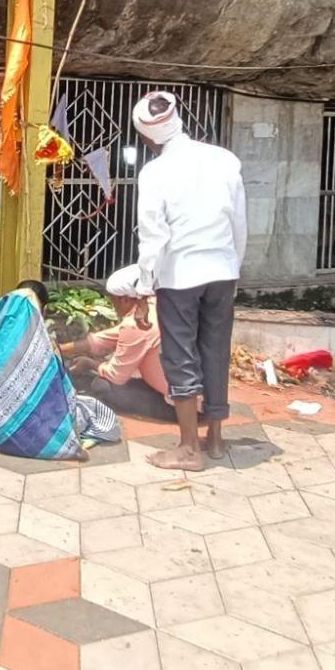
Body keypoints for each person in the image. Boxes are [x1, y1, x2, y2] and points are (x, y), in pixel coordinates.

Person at [131, 90, 247, 471]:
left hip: (179, 275)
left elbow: (153, 235)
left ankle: (187, 449)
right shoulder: (224, 161)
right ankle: (214, 438)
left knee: (180, 356)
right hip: (222, 271)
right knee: (215, 350)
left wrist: (145, 284)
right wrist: (234, 267)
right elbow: (239, 224)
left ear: (148, 137)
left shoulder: (155, 172)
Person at [0, 280, 119, 460]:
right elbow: (58, 388)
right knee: (95, 412)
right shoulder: (43, 346)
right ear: (42, 309)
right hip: (25, 427)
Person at [64, 265, 173, 420]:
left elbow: (116, 376)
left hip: (179, 405)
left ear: (125, 299)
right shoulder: (153, 306)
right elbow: (104, 339)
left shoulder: (136, 324)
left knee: (103, 386)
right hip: (198, 396)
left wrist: (90, 364)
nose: (112, 305)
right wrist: (61, 348)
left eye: (112, 300)